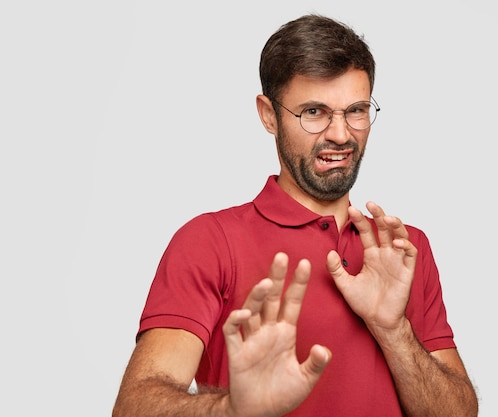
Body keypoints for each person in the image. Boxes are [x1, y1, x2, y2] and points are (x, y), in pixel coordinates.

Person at [112, 14, 478, 417]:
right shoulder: (210, 241)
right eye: (315, 112)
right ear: (269, 115)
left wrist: (394, 331)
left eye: (355, 110)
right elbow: (135, 406)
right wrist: (233, 410)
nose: (341, 134)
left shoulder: (403, 249)